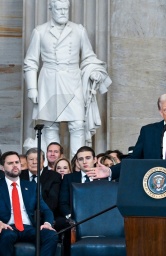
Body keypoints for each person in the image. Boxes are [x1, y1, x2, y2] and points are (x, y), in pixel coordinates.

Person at [23, 0, 112, 157]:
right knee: (50, 126)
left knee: (78, 124)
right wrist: (32, 88)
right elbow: (30, 62)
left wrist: (94, 71)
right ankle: (53, 168)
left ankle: (76, 166)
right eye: (60, 9)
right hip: (50, 81)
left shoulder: (78, 30)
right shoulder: (40, 31)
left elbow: (88, 57)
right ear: (51, 9)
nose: (63, 12)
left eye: (66, 9)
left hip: (73, 81)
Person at [0, 151, 58, 256]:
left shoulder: (31, 186)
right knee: (7, 236)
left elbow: (46, 209)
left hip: (28, 227)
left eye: (17, 162)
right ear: (2, 168)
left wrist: (47, 223)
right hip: (7, 227)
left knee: (51, 235)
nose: (15, 165)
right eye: (10, 163)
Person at [59, 146, 105, 219]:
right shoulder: (69, 178)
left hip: (100, 219)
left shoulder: (103, 178)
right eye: (81, 159)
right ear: (77, 162)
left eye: (88, 158)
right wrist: (71, 217)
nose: (84, 162)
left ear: (95, 159)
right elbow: (63, 203)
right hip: (75, 220)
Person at [20, 148, 62, 217]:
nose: (34, 162)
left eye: (37, 159)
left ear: (43, 161)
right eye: (31, 159)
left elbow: (52, 202)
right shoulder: (20, 176)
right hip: (23, 216)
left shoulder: (54, 177)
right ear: (26, 161)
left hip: (45, 215)